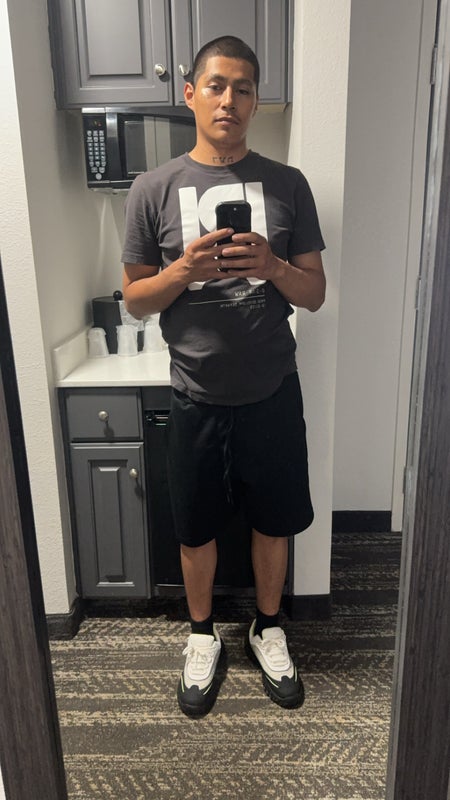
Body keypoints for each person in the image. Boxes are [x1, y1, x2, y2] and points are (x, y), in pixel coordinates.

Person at [121, 35, 326, 717]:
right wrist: (184, 270)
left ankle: (268, 627)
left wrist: (272, 266)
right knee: (195, 526)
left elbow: (315, 293)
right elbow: (135, 299)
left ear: (256, 101)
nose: (228, 100)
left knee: (275, 520)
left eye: (243, 88)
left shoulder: (289, 184)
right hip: (194, 395)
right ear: (190, 94)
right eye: (215, 85)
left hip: (272, 390)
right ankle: (202, 635)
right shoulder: (152, 189)